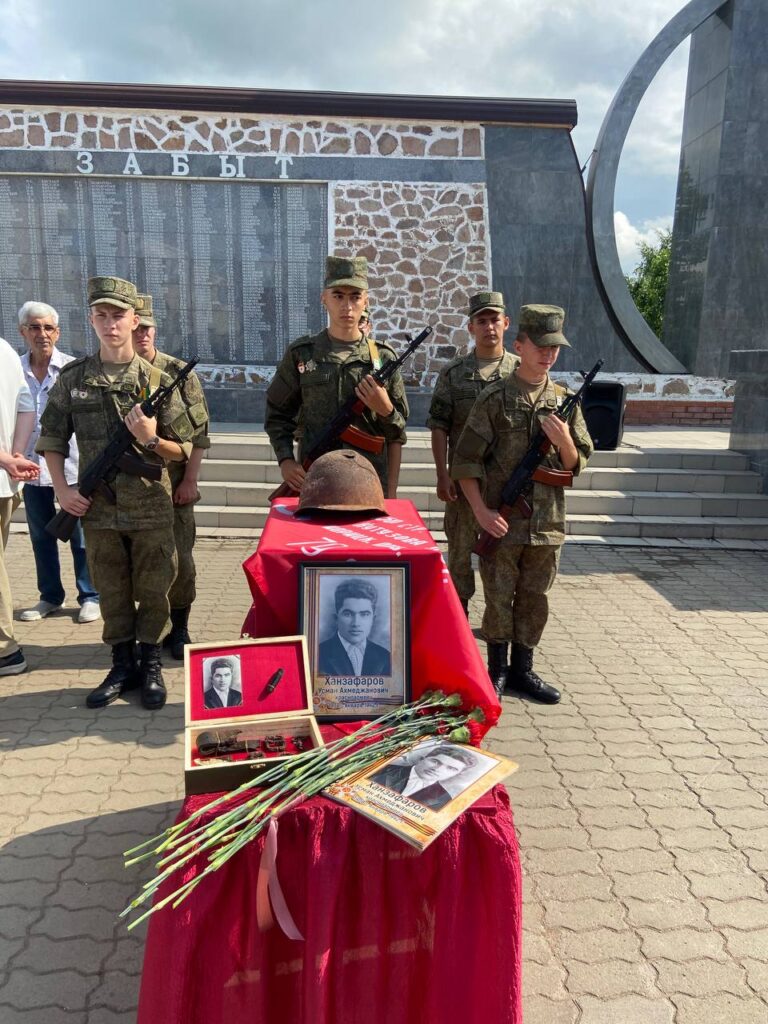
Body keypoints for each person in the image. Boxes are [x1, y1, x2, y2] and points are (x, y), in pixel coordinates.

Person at [37, 276, 195, 711]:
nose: (111, 324)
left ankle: (149, 663)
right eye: (102, 315)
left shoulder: (157, 379)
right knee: (111, 588)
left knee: (155, 587)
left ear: (134, 319)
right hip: (98, 509)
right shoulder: (74, 379)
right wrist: (64, 491)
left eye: (119, 315)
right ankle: (120, 663)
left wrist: (149, 439)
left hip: (151, 508)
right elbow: (50, 437)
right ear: (91, 320)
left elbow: (182, 445)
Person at [452, 304, 594, 704]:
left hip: (547, 524)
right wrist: (480, 511)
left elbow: (577, 461)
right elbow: (465, 461)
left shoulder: (564, 401)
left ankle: (522, 671)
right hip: (502, 521)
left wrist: (564, 440)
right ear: (520, 344)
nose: (548, 354)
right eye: (541, 345)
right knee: (498, 598)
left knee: (535, 598)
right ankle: (496, 671)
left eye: (556, 348)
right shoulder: (493, 399)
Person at [264, 255, 408, 499]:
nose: (347, 305)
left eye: (355, 296)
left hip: (370, 484)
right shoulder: (302, 353)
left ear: (366, 302)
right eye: (338, 295)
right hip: (316, 481)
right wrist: (286, 460)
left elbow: (397, 433)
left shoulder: (383, 359)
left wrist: (385, 410)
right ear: (324, 299)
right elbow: (277, 413)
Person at [427, 291, 518, 616]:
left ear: (506, 323)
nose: (489, 327)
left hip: (505, 486)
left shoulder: (520, 372)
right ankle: (458, 625)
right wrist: (441, 473)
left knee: (503, 560)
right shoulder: (454, 373)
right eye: (482, 320)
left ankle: (498, 633)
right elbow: (439, 425)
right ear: (471, 327)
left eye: (495, 319)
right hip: (463, 486)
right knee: (460, 557)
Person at [132, 293, 210, 659]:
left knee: (182, 561)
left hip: (173, 485)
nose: (142, 335)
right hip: (129, 491)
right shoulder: (113, 374)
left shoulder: (178, 373)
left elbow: (200, 435)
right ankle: (144, 631)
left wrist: (190, 480)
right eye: (137, 328)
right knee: (140, 564)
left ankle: (179, 629)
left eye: (147, 328)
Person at [17, 301, 100, 625]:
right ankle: (49, 596)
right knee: (40, 537)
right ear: (23, 331)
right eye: (35, 327)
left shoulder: (72, 370)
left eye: (48, 328)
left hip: (71, 468)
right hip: (30, 468)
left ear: (58, 332)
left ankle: (90, 595)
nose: (42, 334)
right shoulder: (13, 370)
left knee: (79, 536)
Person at [0, 337, 39, 676]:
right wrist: (16, 455)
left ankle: (4, 650)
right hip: (6, 482)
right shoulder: (5, 350)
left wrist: (8, 460)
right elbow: (27, 406)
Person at [318, 577, 391, 676]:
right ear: (336, 618)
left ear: (373, 619)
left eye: (364, 614)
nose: (356, 623)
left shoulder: (385, 657)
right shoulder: (318, 654)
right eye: (348, 614)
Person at [369, 744, 476, 811]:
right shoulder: (385, 769)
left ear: (456, 774)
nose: (438, 769)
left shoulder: (445, 798)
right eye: (435, 761)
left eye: (451, 768)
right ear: (422, 759)